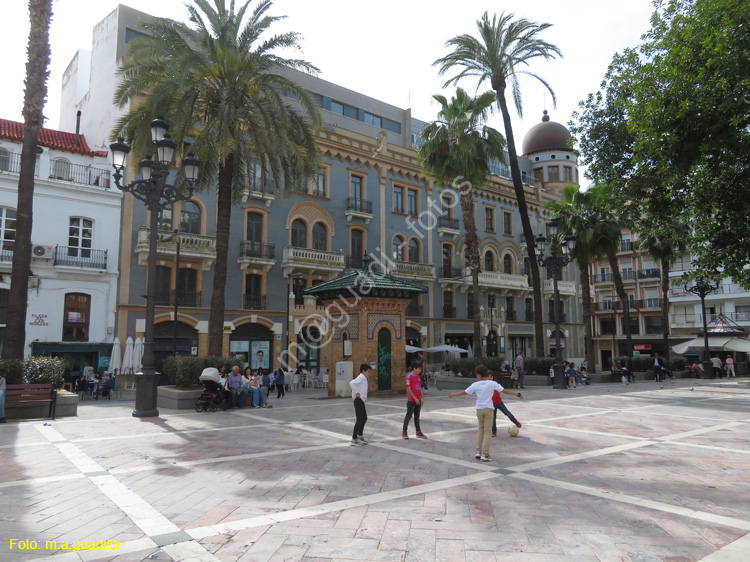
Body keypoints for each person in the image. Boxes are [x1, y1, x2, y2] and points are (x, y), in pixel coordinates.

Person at [449, 365, 523, 462]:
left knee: (481, 430)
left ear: (479, 375)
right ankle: (485, 454)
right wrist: (517, 394)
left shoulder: (475, 385)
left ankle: (478, 452)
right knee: (487, 432)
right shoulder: (492, 384)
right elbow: (505, 391)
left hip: (479, 409)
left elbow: (465, 392)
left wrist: (454, 394)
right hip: (488, 409)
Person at [402, 361, 427, 439]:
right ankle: (404, 432)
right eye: (419, 369)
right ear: (414, 369)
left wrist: (422, 397)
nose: (420, 370)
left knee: (417, 417)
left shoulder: (418, 377)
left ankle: (418, 432)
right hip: (411, 401)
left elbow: (419, 388)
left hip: (418, 400)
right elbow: (409, 390)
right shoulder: (409, 377)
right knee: (408, 416)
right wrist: (415, 399)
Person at [350, 363, 371, 446]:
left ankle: (360, 435)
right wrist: (356, 392)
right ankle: (354, 439)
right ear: (363, 371)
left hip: (361, 400)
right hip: (358, 400)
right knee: (359, 419)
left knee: (364, 418)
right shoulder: (361, 377)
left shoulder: (363, 378)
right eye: (368, 372)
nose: (369, 374)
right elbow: (352, 383)